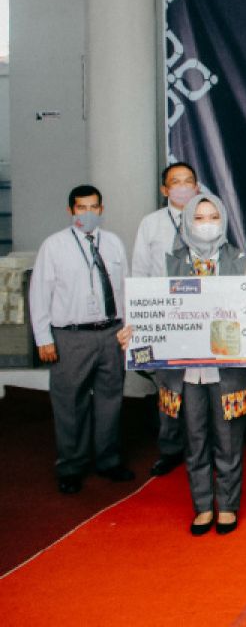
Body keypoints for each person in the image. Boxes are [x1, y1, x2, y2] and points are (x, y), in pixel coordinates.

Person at [121, 193, 246, 535]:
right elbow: (153, 313)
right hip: (185, 371)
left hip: (228, 370)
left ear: (223, 220)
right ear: (188, 222)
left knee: (229, 440)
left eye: (212, 216)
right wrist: (134, 336)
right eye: (199, 218)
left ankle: (228, 505)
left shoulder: (239, 259)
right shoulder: (169, 261)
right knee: (195, 439)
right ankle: (203, 506)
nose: (206, 224)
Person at [30, 185, 133, 495]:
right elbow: (39, 293)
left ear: (101, 210)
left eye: (93, 207)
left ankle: (108, 460)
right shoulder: (54, 246)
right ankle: (72, 466)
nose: (87, 213)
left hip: (111, 332)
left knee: (110, 399)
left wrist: (130, 328)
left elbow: (125, 289)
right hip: (71, 335)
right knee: (70, 402)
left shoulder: (113, 243)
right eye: (80, 208)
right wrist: (43, 337)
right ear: (70, 211)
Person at [131, 161, 201, 477]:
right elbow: (140, 273)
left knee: (202, 384)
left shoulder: (208, 217)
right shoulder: (151, 224)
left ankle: (202, 447)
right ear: (165, 190)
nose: (183, 187)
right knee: (169, 387)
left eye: (188, 181)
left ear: (197, 187)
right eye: (176, 182)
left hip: (201, 315)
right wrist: (140, 323)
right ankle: (171, 448)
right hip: (163, 317)